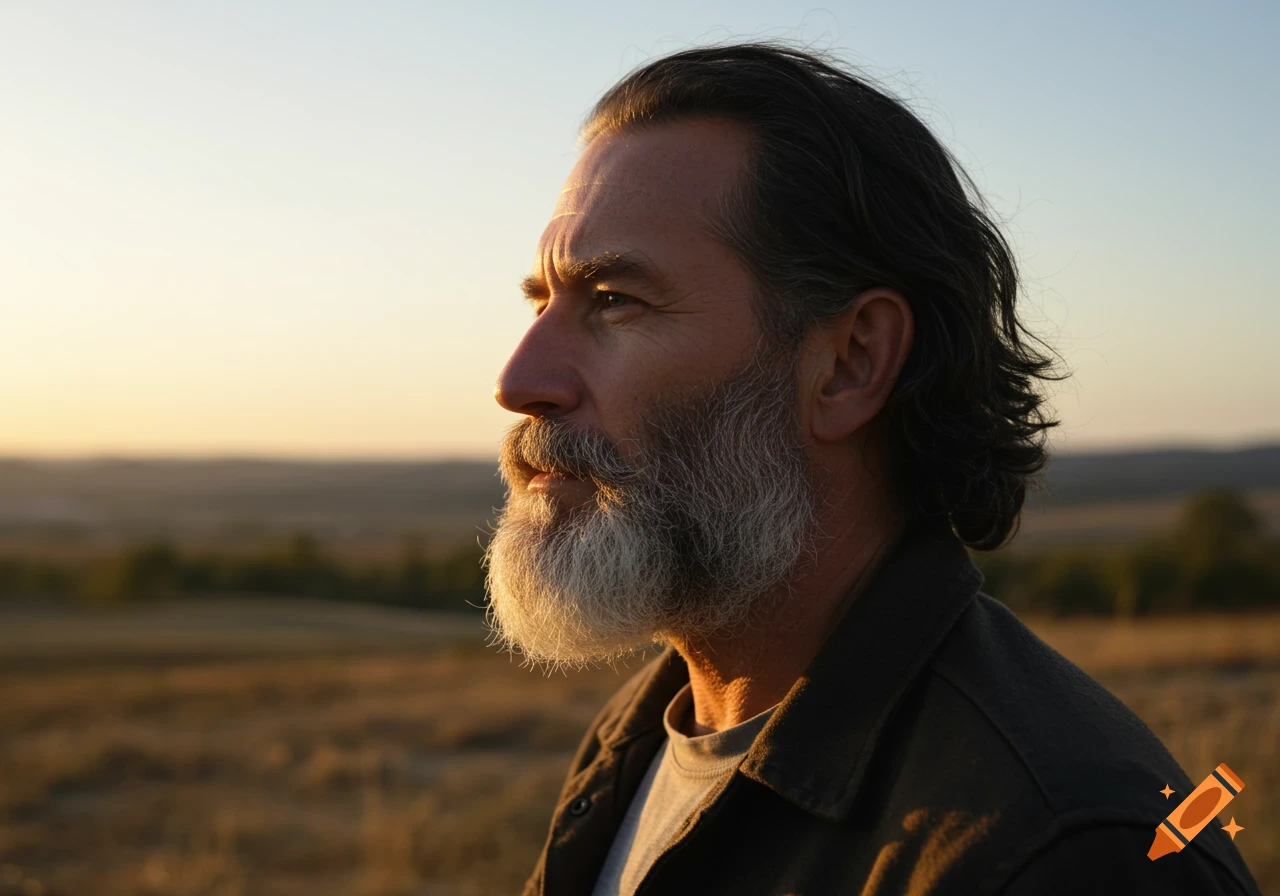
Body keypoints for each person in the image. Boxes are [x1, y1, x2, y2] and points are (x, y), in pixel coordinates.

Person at [482, 41, 1262, 896]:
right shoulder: (639, 737)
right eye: (542, 301)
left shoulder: (1063, 851)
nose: (520, 381)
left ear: (851, 362)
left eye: (614, 301)